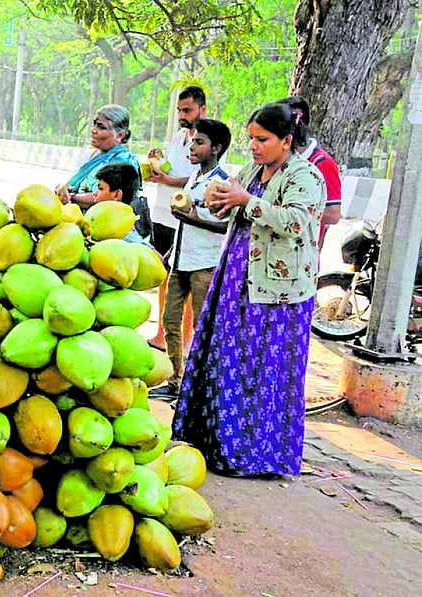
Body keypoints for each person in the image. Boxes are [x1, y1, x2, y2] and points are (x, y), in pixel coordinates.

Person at [171, 102, 325, 477]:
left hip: (277, 294)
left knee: (263, 369)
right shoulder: (253, 170)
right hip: (237, 280)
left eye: (263, 139)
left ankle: (255, 453)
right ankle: (216, 442)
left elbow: (293, 222)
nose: (254, 146)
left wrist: (247, 201)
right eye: (252, 139)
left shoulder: (305, 176)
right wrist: (220, 201)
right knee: (228, 358)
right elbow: (233, 201)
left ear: (286, 140)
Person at [155, 118, 232, 400]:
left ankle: (199, 387)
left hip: (204, 263)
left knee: (201, 326)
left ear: (216, 148)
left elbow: (225, 226)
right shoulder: (193, 178)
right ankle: (176, 379)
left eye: (199, 142)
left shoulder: (221, 182)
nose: (192, 146)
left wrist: (193, 218)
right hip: (180, 259)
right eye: (193, 141)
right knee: (170, 321)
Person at [147, 86, 209, 352]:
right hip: (162, 214)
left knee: (182, 284)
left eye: (188, 110)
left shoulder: (209, 138)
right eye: (180, 110)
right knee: (164, 278)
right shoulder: (179, 136)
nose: (182, 115)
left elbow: (202, 176)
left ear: (202, 109)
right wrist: (157, 164)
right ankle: (162, 332)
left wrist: (170, 179)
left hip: (184, 220)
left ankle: (184, 341)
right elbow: (173, 169)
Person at [277, 96, 341, 245]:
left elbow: (333, 214)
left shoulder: (322, 163)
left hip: (299, 252)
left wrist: (290, 213)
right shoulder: (277, 158)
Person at [54, 104, 141, 209]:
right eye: (94, 124)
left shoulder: (124, 161)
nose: (93, 130)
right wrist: (62, 188)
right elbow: (74, 185)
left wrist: (71, 197)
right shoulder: (90, 155)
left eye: (101, 127)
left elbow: (106, 198)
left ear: (120, 135)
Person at [93, 162, 152, 242]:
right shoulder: (103, 220)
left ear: (116, 195)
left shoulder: (125, 233)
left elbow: (148, 249)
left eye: (100, 188)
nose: (94, 193)